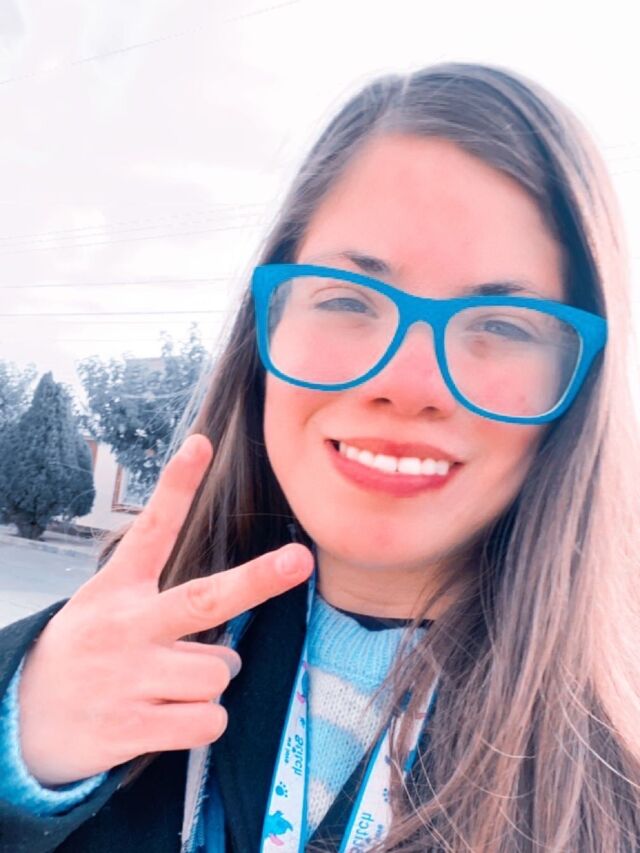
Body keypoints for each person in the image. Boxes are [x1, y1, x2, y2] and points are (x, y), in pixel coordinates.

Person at [0, 61, 639, 853]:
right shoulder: (80, 673)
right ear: (265, 329)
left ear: (581, 383)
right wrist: (20, 754)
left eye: (504, 325)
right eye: (346, 299)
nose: (407, 383)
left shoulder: (617, 773)